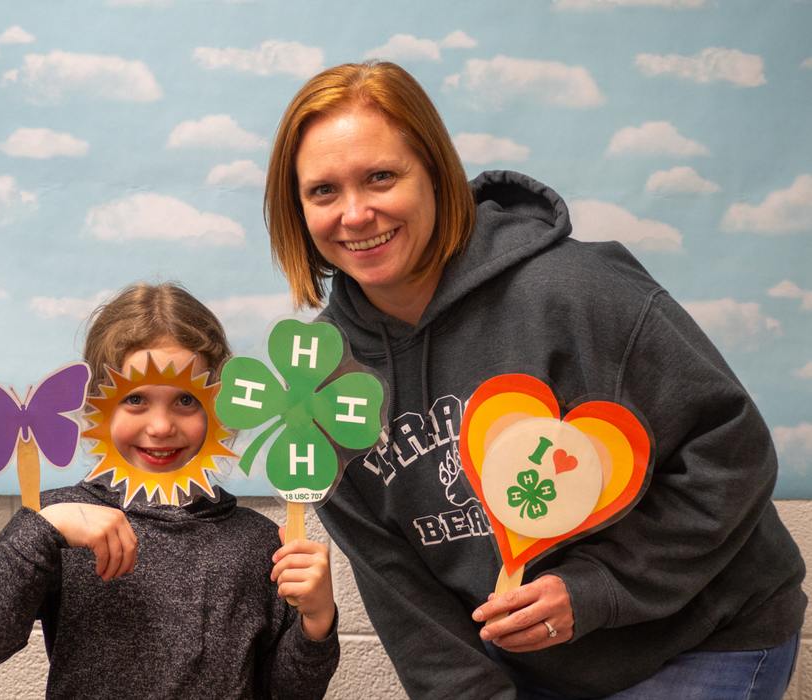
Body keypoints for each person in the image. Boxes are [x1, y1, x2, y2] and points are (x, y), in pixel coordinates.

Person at [263, 61, 806, 699]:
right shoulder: (322, 385)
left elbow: (731, 453)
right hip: (531, 672)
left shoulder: (574, 291)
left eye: (381, 177)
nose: (355, 214)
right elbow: (407, 605)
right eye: (323, 191)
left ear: (436, 174)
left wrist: (598, 587)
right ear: (296, 210)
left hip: (700, 635)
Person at [0, 282, 340, 700]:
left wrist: (316, 621)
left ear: (219, 407)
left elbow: (286, 693)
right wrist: (42, 530)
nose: (160, 427)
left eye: (186, 401)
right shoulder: (57, 523)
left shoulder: (261, 543)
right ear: (97, 405)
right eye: (135, 398)